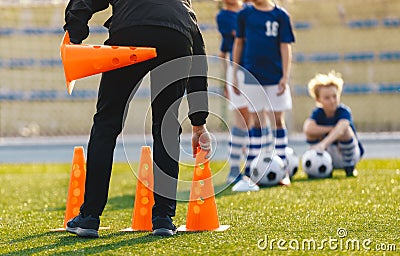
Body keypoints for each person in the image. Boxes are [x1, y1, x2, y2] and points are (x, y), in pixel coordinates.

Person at [63, 0, 211, 238]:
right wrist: (198, 121)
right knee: (167, 125)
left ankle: (89, 217)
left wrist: (75, 34)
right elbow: (197, 55)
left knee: (106, 124)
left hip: (130, 31)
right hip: (176, 36)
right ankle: (163, 218)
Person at [232, 0, 295, 185]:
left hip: (275, 76)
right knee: (256, 122)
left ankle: (283, 169)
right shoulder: (244, 14)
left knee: (277, 120)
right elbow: (239, 43)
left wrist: (285, 75)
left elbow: (285, 46)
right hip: (252, 76)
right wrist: (235, 72)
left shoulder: (280, 15)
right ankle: (252, 170)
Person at [216, 0, 258, 191]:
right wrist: (228, 79)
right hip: (239, 70)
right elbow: (227, 50)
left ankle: (251, 168)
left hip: (256, 67)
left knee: (254, 120)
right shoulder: (225, 16)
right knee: (241, 120)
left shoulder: (250, 9)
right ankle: (234, 170)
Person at [303, 71, 364, 177]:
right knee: (311, 132)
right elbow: (308, 128)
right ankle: (323, 166)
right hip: (329, 153)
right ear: (318, 99)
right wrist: (330, 129)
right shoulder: (318, 113)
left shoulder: (344, 111)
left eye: (334, 96)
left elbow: (342, 128)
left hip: (348, 154)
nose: (332, 101)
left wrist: (323, 144)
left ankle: (349, 167)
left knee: (346, 130)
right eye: (327, 98)